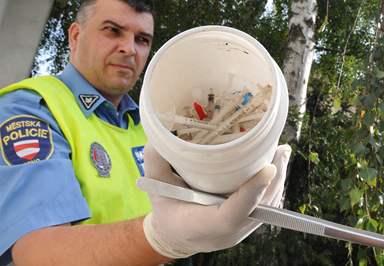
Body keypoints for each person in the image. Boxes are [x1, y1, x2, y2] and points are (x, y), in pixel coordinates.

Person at [0, 0, 291, 265]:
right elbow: (37, 254)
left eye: (142, 39)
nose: (129, 48)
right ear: (75, 36)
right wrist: (159, 238)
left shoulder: (150, 127)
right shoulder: (33, 109)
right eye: (113, 31)